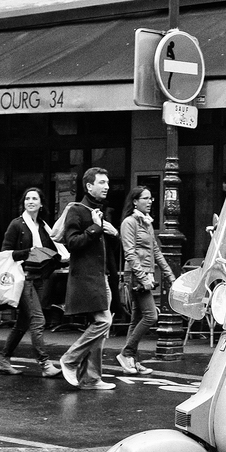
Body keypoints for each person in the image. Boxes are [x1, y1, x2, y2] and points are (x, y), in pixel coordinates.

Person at [58, 167, 119, 391]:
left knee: (101, 329)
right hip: (86, 278)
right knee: (103, 322)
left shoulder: (99, 211)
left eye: (107, 182)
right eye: (102, 182)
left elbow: (105, 250)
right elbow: (72, 243)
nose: (107, 186)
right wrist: (95, 228)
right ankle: (69, 360)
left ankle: (91, 378)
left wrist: (113, 234)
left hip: (102, 278)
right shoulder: (77, 210)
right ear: (89, 186)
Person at [0, 187, 64, 378]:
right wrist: (28, 252)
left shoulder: (44, 226)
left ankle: (3, 359)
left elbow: (52, 251)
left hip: (39, 279)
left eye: (34, 199)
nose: (30, 201)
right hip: (22, 278)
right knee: (38, 320)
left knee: (23, 323)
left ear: (41, 204)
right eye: (27, 199)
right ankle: (45, 363)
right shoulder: (17, 225)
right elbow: (5, 253)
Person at [116, 186, 176, 374]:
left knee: (136, 320)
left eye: (151, 198)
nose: (150, 202)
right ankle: (126, 353)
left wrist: (169, 275)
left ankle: (132, 361)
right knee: (151, 316)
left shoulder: (147, 222)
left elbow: (156, 251)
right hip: (136, 276)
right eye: (146, 198)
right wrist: (142, 277)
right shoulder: (129, 222)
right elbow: (130, 253)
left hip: (146, 275)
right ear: (135, 201)